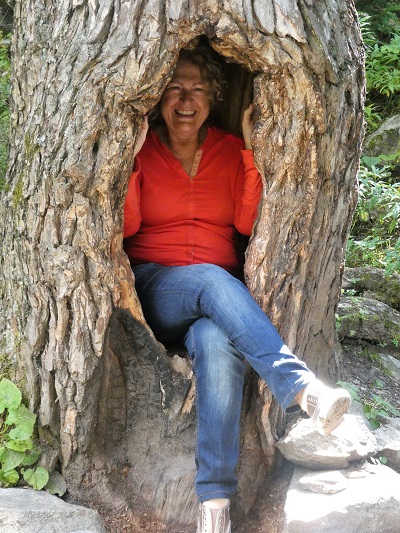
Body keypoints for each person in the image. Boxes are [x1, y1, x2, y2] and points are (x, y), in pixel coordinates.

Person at [123, 47, 351, 533]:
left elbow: (246, 222)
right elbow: (128, 223)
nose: (186, 100)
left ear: (213, 98)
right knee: (210, 278)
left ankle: (214, 505)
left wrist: (248, 149)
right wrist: (129, 156)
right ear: (159, 97)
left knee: (215, 342)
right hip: (159, 287)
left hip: (217, 301)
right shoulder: (144, 148)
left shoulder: (228, 150)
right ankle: (299, 386)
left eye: (198, 89)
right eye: (175, 89)